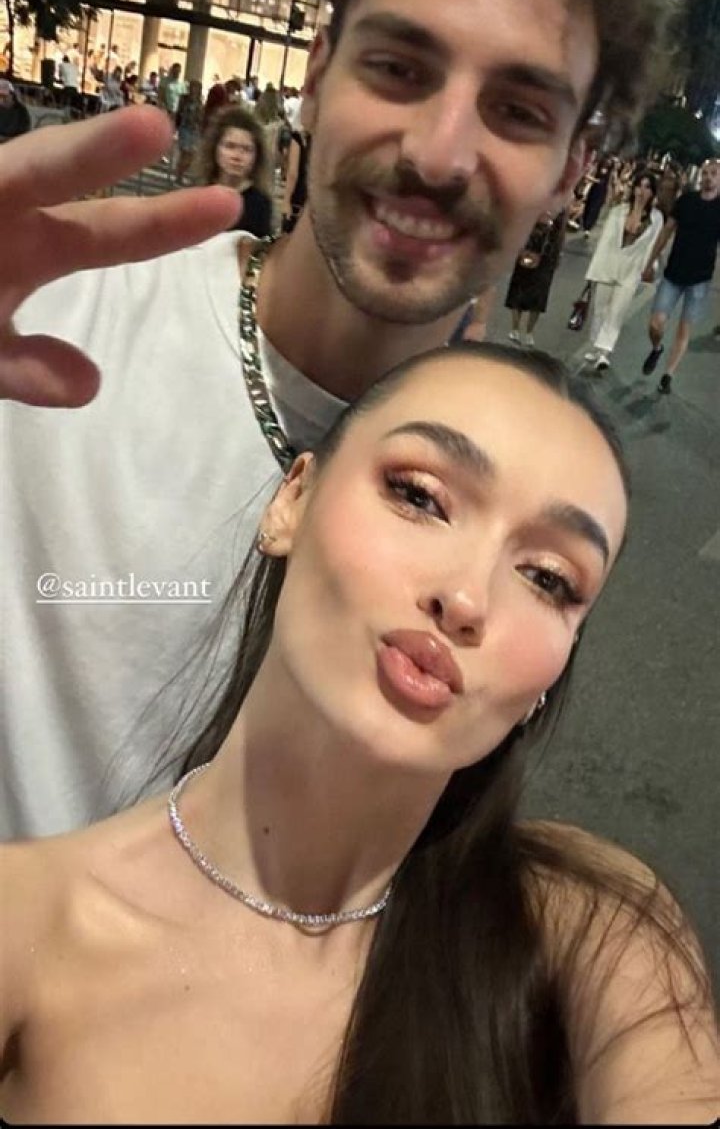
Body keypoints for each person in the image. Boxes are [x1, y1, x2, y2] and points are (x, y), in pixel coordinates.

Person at [0, 0, 673, 838]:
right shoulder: (50, 322)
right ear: (317, 76)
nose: (439, 155)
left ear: (571, 169)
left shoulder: (524, 528)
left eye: (519, 111)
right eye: (399, 68)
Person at [1, 344, 718, 1124]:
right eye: (420, 496)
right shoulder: (31, 920)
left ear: (552, 674)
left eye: (548, 577)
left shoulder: (586, 929)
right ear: (293, 500)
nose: (466, 596)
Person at [640, 156, 720, 394]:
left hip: (700, 279)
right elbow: (666, 231)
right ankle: (657, 348)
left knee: (684, 330)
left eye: (714, 173)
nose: (708, 177)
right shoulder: (686, 200)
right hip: (673, 273)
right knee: (655, 324)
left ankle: (668, 375)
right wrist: (650, 261)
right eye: (705, 173)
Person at [582, 170, 663, 372]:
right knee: (600, 309)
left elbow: (653, 245)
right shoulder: (618, 211)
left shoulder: (656, 218)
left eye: (647, 187)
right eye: (639, 186)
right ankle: (596, 347)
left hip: (631, 270)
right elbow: (605, 242)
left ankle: (605, 353)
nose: (642, 191)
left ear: (653, 192)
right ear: (633, 188)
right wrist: (593, 270)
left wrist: (649, 268)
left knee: (616, 312)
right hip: (608, 265)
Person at [196, 104, 274, 237]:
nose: (237, 156)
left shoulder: (260, 204)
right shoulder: (201, 193)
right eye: (230, 146)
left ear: (257, 156)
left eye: (246, 149)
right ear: (215, 148)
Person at [505, 208, 567, 346]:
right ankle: (515, 328)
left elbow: (561, 230)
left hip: (547, 253)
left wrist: (559, 253)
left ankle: (529, 332)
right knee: (519, 288)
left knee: (539, 293)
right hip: (528, 247)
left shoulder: (562, 204)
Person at [280, 125, 311, 232]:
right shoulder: (318, 140)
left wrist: (286, 200)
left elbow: (293, 172)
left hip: (297, 196)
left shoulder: (297, 138)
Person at [175, 78, 204, 184]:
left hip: (195, 130)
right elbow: (180, 112)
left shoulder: (199, 101)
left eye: (197, 87)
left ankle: (180, 173)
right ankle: (179, 176)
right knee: (185, 153)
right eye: (193, 87)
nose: (194, 89)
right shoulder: (184, 99)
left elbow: (201, 115)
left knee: (192, 155)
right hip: (185, 128)